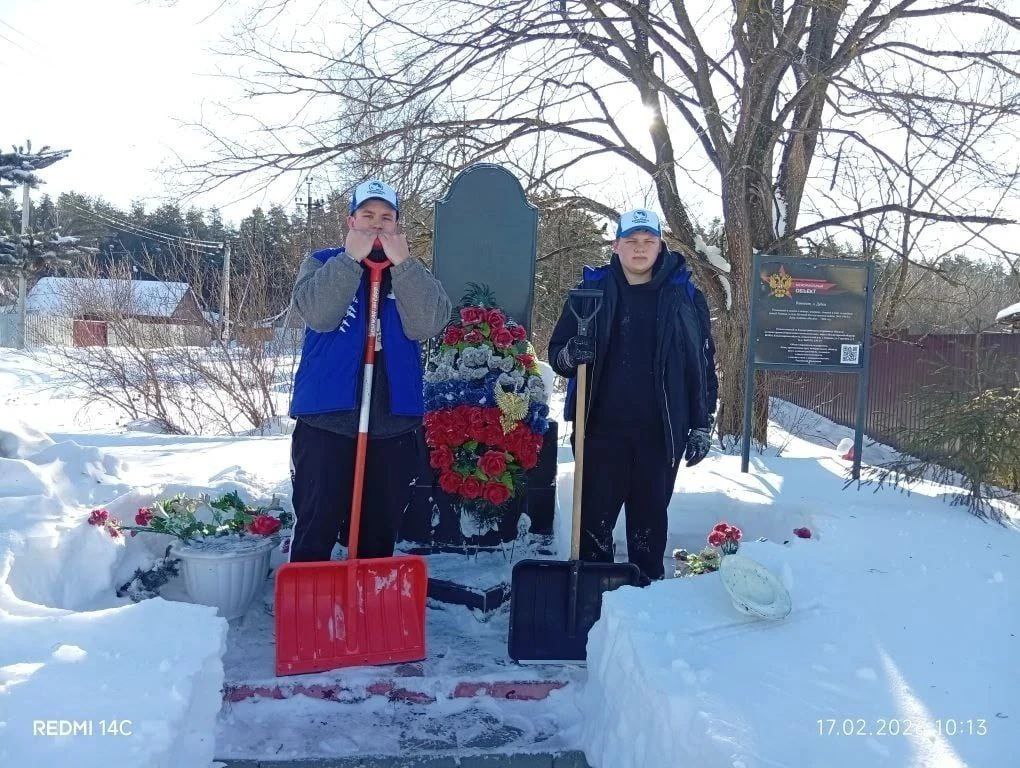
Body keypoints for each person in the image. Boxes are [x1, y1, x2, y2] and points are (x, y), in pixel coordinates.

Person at [548, 208, 718, 583]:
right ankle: (594, 597)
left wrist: (701, 423)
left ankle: (646, 601)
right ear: (616, 245)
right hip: (600, 433)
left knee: (649, 525)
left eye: (648, 241)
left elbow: (702, 363)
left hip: (661, 433)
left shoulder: (685, 295)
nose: (640, 249)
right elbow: (557, 353)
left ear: (660, 246)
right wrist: (569, 355)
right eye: (631, 241)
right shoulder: (590, 292)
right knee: (594, 524)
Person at [287, 179, 452, 562]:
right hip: (327, 417)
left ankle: (369, 602)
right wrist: (348, 261)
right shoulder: (322, 262)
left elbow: (427, 324)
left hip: (393, 419)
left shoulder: (412, 272)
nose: (377, 225)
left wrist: (405, 266)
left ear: (397, 226)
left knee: (379, 526)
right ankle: (311, 606)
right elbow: (319, 314)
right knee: (317, 518)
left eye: (386, 218)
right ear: (351, 221)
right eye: (367, 216)